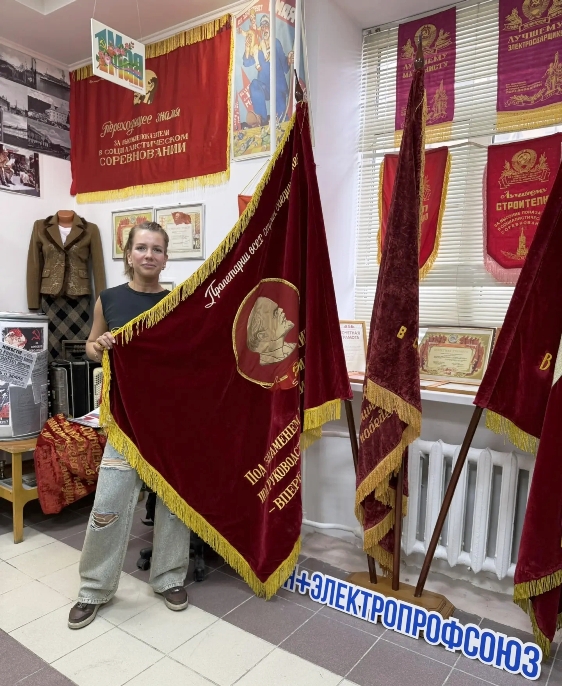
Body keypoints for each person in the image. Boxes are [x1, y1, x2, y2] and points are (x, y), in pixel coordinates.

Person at [68, 221, 191, 630]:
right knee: (108, 505)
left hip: (168, 422)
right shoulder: (109, 299)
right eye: (141, 248)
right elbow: (90, 345)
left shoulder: (176, 302)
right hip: (122, 422)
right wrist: (99, 346)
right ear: (129, 255)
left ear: (166, 258)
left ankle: (169, 577)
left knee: (173, 506)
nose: (149, 255)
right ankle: (94, 588)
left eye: (157, 249)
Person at [243, 15, 294, 126]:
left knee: (282, 118)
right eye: (262, 27)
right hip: (265, 87)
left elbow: (285, 66)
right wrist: (247, 48)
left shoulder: (276, 43)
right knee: (254, 85)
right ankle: (261, 119)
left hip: (278, 87)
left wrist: (289, 60)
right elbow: (246, 63)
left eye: (266, 26)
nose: (264, 29)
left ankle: (281, 119)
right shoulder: (258, 48)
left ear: (270, 28)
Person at [246, 296, 296, 365]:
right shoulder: (267, 364)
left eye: (278, 308)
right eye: (275, 313)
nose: (281, 310)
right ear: (263, 335)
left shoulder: (293, 348)